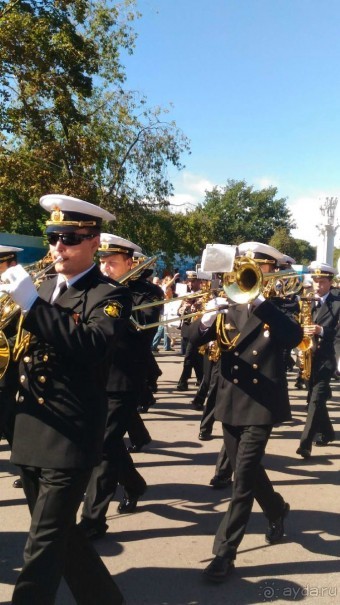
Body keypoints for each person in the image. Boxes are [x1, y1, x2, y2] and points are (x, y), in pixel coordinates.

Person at [0, 194, 131, 605]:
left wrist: (32, 306)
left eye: (70, 238)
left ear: (94, 242)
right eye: (53, 236)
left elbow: (92, 345)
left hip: (70, 437)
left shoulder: (108, 294)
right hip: (30, 430)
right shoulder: (39, 286)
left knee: (40, 546)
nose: (58, 246)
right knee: (60, 536)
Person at [189, 241, 303, 582]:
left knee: (242, 480)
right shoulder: (226, 301)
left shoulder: (282, 304)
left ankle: (224, 554)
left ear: (271, 270)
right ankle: (276, 507)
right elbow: (193, 338)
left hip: (262, 403)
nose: (251, 272)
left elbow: (293, 336)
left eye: (260, 267)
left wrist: (261, 303)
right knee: (248, 472)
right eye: (247, 266)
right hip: (230, 398)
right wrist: (208, 316)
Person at [79, 233, 156, 539]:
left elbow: (143, 333)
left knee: (103, 444)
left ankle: (93, 519)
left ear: (130, 263)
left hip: (125, 380)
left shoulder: (147, 293)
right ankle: (135, 483)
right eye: (104, 262)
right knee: (107, 442)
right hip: (94, 376)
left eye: (112, 263)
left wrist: (117, 301)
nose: (106, 268)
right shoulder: (97, 288)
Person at [296, 261, 340, 458]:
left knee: (315, 400)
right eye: (315, 281)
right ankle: (328, 432)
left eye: (321, 282)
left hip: (327, 357)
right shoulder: (305, 300)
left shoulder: (338, 302)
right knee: (316, 398)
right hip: (308, 357)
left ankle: (305, 444)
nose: (317, 286)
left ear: (330, 282)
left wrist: (321, 330)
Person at [0, 245, 24, 488]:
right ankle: (29, 467)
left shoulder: (20, 292)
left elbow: (22, 334)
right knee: (9, 423)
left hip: (6, 365)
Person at [176, 270, 204, 390]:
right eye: (189, 282)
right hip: (186, 329)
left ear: (199, 282)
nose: (190, 284)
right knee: (195, 357)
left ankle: (183, 381)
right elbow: (178, 312)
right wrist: (184, 309)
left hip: (197, 329)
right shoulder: (186, 296)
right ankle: (201, 379)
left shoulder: (203, 295)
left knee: (189, 356)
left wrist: (197, 307)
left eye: (193, 281)